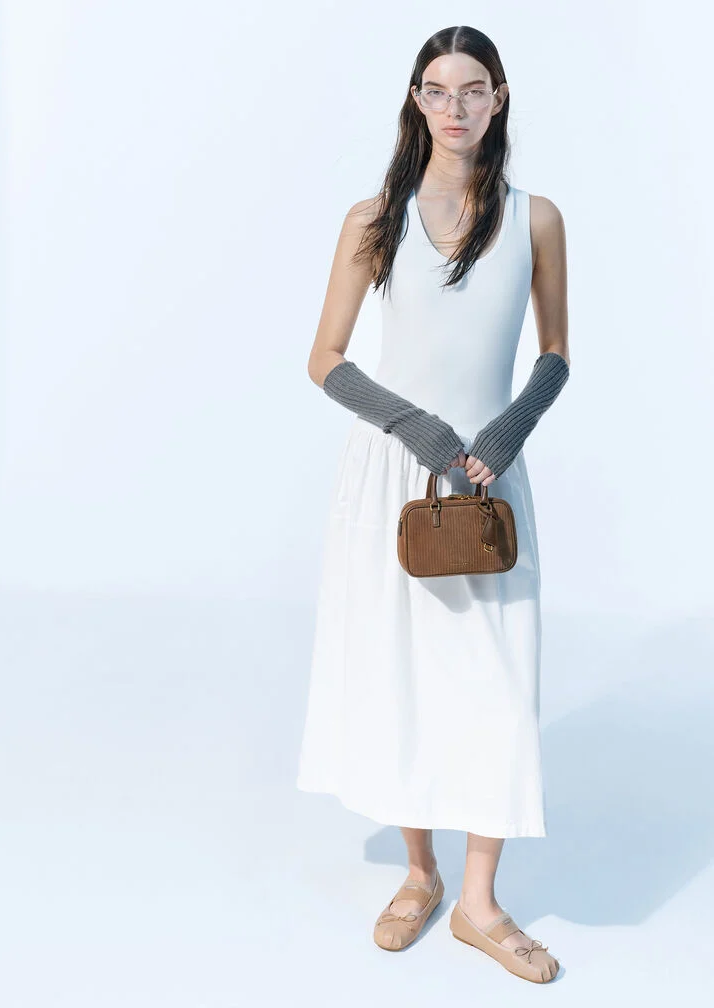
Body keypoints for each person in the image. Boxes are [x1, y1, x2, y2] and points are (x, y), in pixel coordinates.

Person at [296, 25, 570, 984]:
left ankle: (479, 904)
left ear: (500, 98)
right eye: (438, 90)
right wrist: (414, 427)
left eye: (474, 89)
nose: (456, 108)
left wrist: (505, 433)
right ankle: (420, 874)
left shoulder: (536, 219)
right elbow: (325, 359)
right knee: (399, 670)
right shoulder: (375, 218)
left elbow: (555, 355)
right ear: (417, 99)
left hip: (489, 480)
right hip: (395, 476)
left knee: (498, 678)